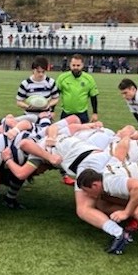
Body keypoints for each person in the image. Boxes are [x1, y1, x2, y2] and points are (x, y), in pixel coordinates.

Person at [55, 54, 99, 185]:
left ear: (82, 65)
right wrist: (51, 111)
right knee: (62, 144)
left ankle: (82, 173)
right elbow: (55, 96)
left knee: (83, 143)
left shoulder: (88, 79)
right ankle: (64, 175)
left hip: (82, 116)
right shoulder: (62, 78)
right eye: (73, 65)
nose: (75, 67)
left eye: (78, 65)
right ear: (70, 65)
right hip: (66, 116)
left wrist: (95, 112)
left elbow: (93, 97)